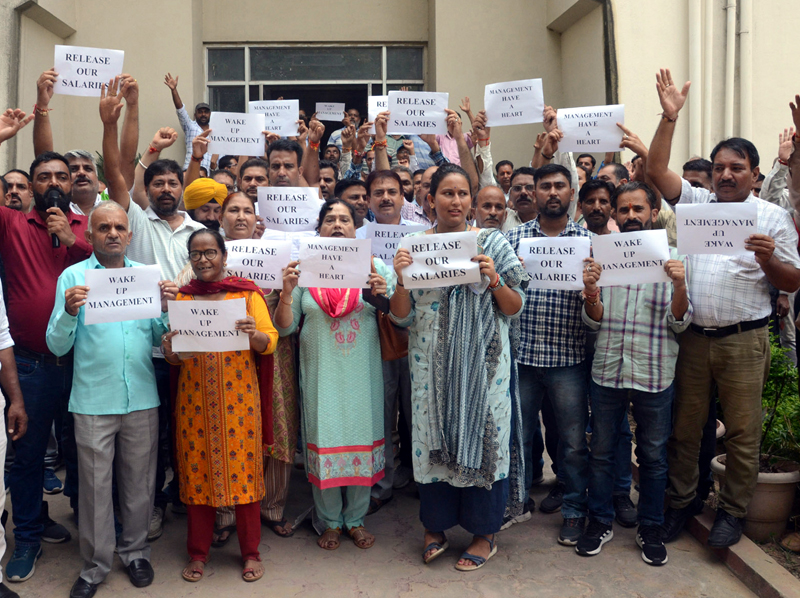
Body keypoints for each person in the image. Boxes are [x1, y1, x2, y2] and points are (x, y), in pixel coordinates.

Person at [647, 68, 800, 547]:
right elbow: (655, 172)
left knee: (742, 432)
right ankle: (682, 503)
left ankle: (732, 513)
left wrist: (768, 260)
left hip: (744, 341)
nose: (726, 174)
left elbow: (793, 280)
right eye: (719, 167)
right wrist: (669, 118)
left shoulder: (773, 217)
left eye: (737, 167)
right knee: (686, 429)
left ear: (754, 174)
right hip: (694, 338)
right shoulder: (696, 203)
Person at [389, 163, 526, 571]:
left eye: (463, 193)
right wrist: (401, 280)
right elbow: (400, 317)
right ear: (430, 200)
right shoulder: (413, 245)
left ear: (472, 200)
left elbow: (515, 307)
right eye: (447, 193)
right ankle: (435, 527)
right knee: (431, 437)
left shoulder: (492, 242)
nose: (456, 201)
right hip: (429, 368)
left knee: (484, 438)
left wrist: (495, 280)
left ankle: (485, 534)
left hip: (484, 369)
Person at [46, 202, 178, 598]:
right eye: (104, 228)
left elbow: (159, 338)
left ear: (130, 234)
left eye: (119, 227)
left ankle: (136, 552)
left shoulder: (146, 278)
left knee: (140, 483)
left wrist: (167, 311)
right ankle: (95, 566)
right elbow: (56, 344)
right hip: (92, 400)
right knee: (93, 489)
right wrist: (69, 312)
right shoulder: (73, 278)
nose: (113, 233)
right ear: (90, 235)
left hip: (141, 397)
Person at [100, 78, 207, 539]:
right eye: (157, 182)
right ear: (146, 189)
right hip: (149, 350)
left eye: (172, 182)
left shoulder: (201, 233)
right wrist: (121, 117)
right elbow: (116, 172)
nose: (165, 188)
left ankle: (190, 497)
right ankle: (158, 503)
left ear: (183, 186)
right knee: (156, 435)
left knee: (192, 428)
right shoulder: (137, 223)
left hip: (196, 346)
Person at [577, 182, 691, 566]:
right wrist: (591, 291)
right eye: (623, 209)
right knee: (602, 451)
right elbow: (593, 322)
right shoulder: (602, 257)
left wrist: (679, 285)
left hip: (655, 372)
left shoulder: (674, 259)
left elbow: (679, 322)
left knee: (654, 457)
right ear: (614, 214)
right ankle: (599, 520)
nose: (630, 216)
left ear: (653, 212)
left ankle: (651, 526)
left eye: (637, 209)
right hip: (608, 369)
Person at [162, 229, 278, 582]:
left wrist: (253, 333)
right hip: (194, 404)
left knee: (244, 475)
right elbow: (177, 358)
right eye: (196, 254)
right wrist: (169, 350)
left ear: (224, 256)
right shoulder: (184, 298)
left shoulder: (247, 296)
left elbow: (270, 342)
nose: (203, 260)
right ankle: (198, 553)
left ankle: (251, 553)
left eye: (210, 252)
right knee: (197, 473)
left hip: (239, 404)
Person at [274, 200, 390, 551]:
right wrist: (286, 293)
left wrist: (384, 294)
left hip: (362, 375)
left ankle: (355, 520)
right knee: (323, 439)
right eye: (329, 219)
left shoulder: (375, 266)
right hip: (320, 376)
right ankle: (329, 521)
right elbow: (285, 328)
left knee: (361, 435)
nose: (337, 225)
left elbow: (401, 318)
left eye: (344, 219)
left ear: (356, 229)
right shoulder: (303, 271)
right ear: (319, 229)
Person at [0, 147, 91, 582]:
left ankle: (88, 526)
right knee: (28, 455)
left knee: (82, 450)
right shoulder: (12, 224)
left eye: (61, 176)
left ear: (72, 183)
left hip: (81, 363)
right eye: (43, 177)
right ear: (31, 186)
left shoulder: (87, 227)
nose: (53, 183)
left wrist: (73, 241)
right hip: (29, 365)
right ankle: (28, 537)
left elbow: (111, 276)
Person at [505, 163, 594, 546]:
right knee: (519, 437)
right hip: (522, 357)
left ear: (572, 193)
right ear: (534, 192)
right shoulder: (514, 239)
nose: (553, 192)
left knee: (573, 443)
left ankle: (574, 510)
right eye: (545, 186)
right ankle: (517, 501)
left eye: (560, 185)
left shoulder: (588, 242)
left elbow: (596, 306)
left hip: (568, 358)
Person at [164, 72, 211, 171]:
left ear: (210, 114)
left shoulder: (215, 131)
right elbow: (180, 109)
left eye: (206, 112)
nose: (203, 114)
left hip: (207, 174)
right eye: (200, 112)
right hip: (189, 171)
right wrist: (174, 90)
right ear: (195, 115)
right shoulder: (190, 126)